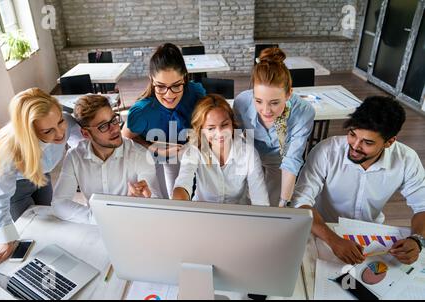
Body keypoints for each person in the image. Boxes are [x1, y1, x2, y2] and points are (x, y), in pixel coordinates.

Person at [292, 96, 425, 265]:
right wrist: (334, 240)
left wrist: (417, 239)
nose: (355, 146)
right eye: (352, 134)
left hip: (371, 234)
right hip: (324, 229)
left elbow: (422, 206)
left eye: (367, 142)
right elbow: (301, 202)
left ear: (389, 142)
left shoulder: (407, 159)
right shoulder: (326, 151)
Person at [0, 88, 81, 269]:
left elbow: (81, 142)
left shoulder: (65, 120)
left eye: (60, 122)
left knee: (50, 220)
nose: (60, 134)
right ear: (30, 131)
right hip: (16, 189)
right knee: (30, 233)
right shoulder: (9, 149)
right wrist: (6, 239)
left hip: (43, 177)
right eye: (48, 131)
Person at [52, 94, 161, 223]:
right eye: (103, 126)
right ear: (86, 133)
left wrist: (139, 200)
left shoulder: (140, 155)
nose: (114, 129)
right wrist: (96, 218)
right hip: (96, 228)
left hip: (133, 223)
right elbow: (59, 204)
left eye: (114, 120)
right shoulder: (74, 157)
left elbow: (156, 202)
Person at [233, 48, 315, 207]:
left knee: (274, 203)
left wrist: (283, 202)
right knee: (247, 200)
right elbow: (239, 143)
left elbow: (292, 159)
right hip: (252, 155)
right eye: (258, 101)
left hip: (280, 160)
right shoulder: (241, 102)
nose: (265, 110)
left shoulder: (304, 112)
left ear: (289, 94)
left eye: (274, 103)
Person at [122, 43, 206, 198]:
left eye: (176, 86)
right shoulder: (142, 111)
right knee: (164, 198)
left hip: (191, 154)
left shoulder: (195, 93)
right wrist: (153, 148)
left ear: (185, 78)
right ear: (151, 80)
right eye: (160, 86)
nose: (169, 95)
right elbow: (125, 138)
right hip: (157, 161)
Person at [172, 94, 269, 205]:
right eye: (211, 128)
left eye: (224, 125)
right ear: (201, 130)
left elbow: (260, 200)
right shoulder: (193, 151)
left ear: (232, 123)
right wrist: (179, 205)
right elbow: (183, 182)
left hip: (237, 215)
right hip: (204, 215)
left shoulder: (248, 153)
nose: (220, 133)